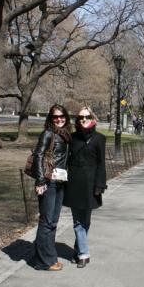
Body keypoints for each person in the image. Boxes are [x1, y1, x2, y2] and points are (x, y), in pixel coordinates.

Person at [64, 106, 107, 268]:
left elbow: (101, 164)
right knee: (77, 222)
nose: (83, 119)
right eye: (80, 117)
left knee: (86, 221)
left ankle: (78, 247)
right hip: (74, 184)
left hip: (91, 185)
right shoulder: (72, 138)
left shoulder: (99, 139)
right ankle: (84, 253)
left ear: (92, 118)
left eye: (87, 117)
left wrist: (100, 184)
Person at [32, 104, 71, 271]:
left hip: (60, 181)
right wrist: (40, 182)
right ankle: (44, 261)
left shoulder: (65, 135)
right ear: (50, 118)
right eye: (55, 117)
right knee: (47, 221)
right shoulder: (48, 133)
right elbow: (38, 156)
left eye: (62, 116)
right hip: (49, 182)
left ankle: (48, 255)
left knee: (53, 221)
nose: (59, 119)